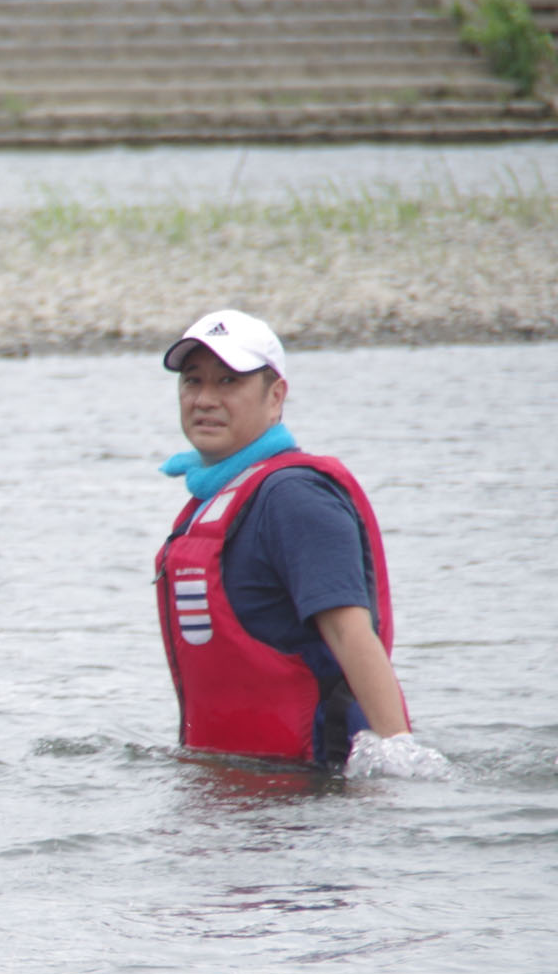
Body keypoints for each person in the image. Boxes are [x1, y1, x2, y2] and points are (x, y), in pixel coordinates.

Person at [154, 308, 441, 775]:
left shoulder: (293, 496)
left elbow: (350, 633)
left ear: (276, 397)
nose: (205, 398)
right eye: (193, 381)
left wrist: (401, 760)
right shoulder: (214, 498)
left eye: (228, 382)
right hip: (237, 795)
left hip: (316, 799)